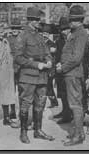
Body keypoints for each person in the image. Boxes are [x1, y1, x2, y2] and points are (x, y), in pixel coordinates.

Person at [14, 7, 55, 144]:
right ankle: (23, 132)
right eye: (37, 19)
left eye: (39, 19)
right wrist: (37, 65)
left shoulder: (39, 35)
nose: (39, 22)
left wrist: (49, 60)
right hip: (28, 76)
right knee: (25, 104)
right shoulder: (22, 36)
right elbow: (18, 58)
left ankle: (38, 130)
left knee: (40, 104)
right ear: (30, 20)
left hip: (42, 77)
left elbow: (47, 51)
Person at [56, 5, 88, 146]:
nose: (70, 22)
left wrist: (62, 68)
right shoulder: (75, 32)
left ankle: (78, 136)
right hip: (71, 73)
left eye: (72, 20)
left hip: (73, 73)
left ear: (79, 20)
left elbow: (76, 58)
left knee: (75, 104)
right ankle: (79, 133)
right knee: (75, 104)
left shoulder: (80, 34)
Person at [54, 17, 73, 124]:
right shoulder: (59, 41)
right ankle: (65, 111)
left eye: (66, 29)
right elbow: (57, 55)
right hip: (60, 70)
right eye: (62, 30)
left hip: (69, 70)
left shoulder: (73, 40)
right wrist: (57, 64)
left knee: (69, 93)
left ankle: (68, 114)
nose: (64, 31)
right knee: (62, 93)